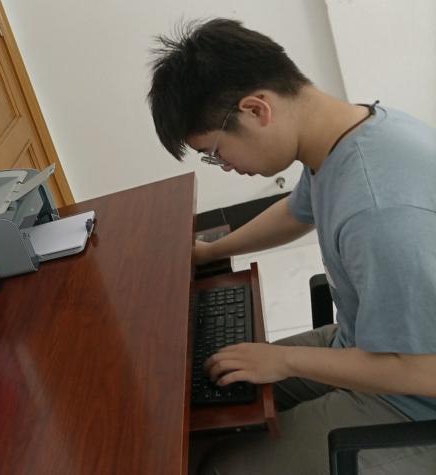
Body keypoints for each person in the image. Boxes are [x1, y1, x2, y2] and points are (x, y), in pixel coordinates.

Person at [147, 18, 436, 473]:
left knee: (219, 466)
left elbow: (424, 370)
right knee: (214, 407)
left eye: (216, 153)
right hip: (367, 343)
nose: (225, 166)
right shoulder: (348, 136)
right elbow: (295, 211)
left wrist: (286, 360)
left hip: (413, 401)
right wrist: (207, 252)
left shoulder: (379, 212)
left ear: (256, 110)